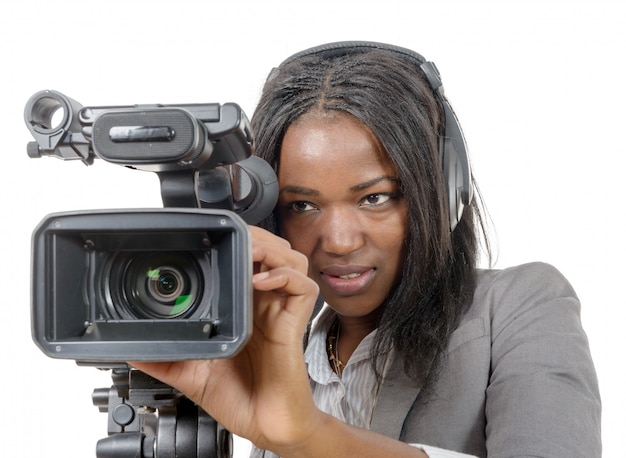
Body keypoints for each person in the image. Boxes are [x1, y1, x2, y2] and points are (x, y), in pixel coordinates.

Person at [132, 41, 601, 457]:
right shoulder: (272, 349)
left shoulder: (521, 305)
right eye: (302, 204)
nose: (338, 240)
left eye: (374, 197)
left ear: (441, 190)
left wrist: (308, 436)